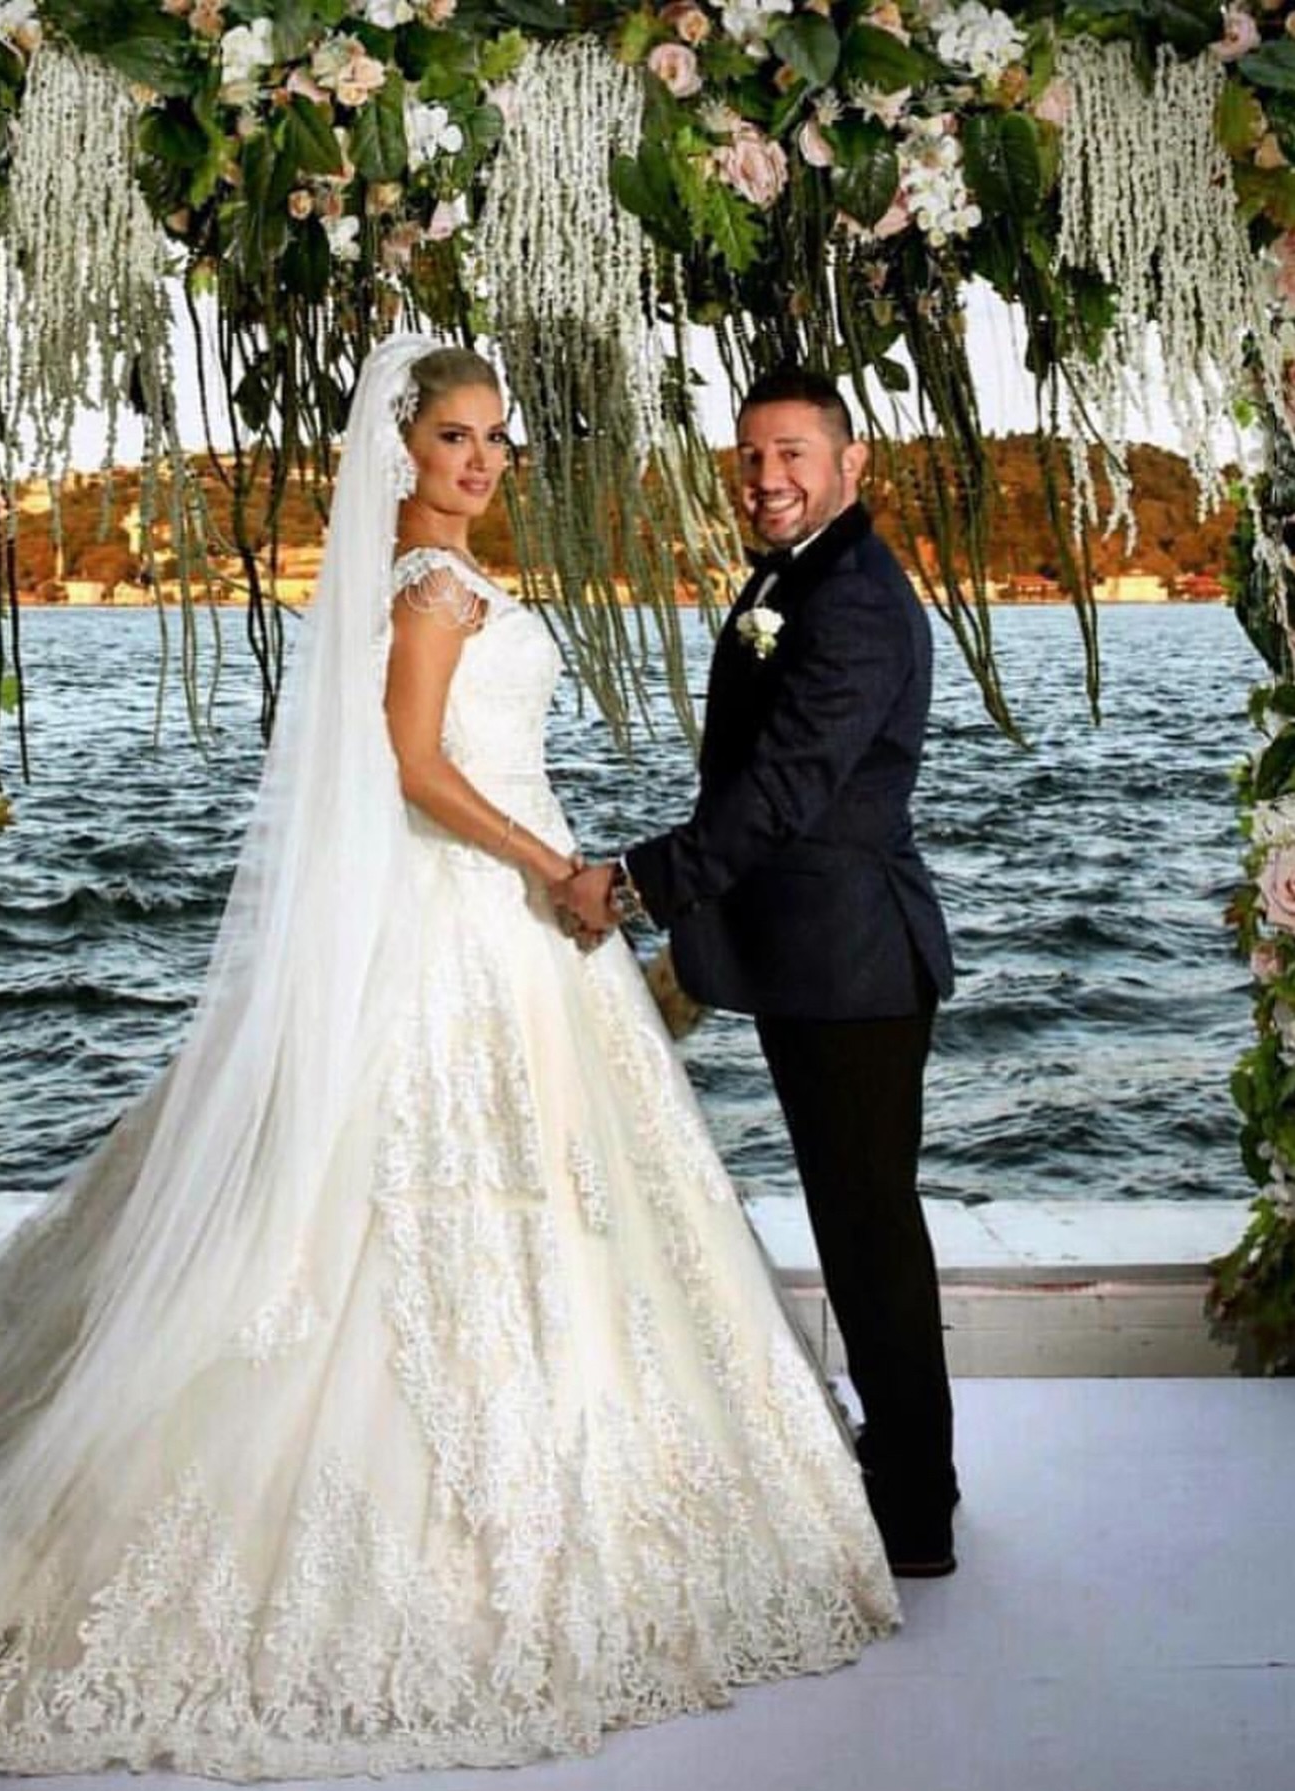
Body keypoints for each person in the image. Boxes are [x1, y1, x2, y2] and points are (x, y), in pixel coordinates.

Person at [0, 338, 898, 1780]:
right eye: (454, 435)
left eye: (495, 437)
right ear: (400, 448)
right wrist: (552, 864)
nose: (481, 461)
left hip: (514, 921)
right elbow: (414, 764)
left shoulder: (445, 579)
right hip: (478, 904)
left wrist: (574, 875)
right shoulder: (427, 588)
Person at [558, 365, 959, 1578]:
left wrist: (635, 882)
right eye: (751, 456)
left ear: (851, 462)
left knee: (870, 1231)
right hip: (805, 956)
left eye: (793, 454)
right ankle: (908, 1477)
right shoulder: (801, 576)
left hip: (855, 961)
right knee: (854, 1222)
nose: (768, 477)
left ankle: (915, 1511)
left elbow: (785, 790)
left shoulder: (857, 599)